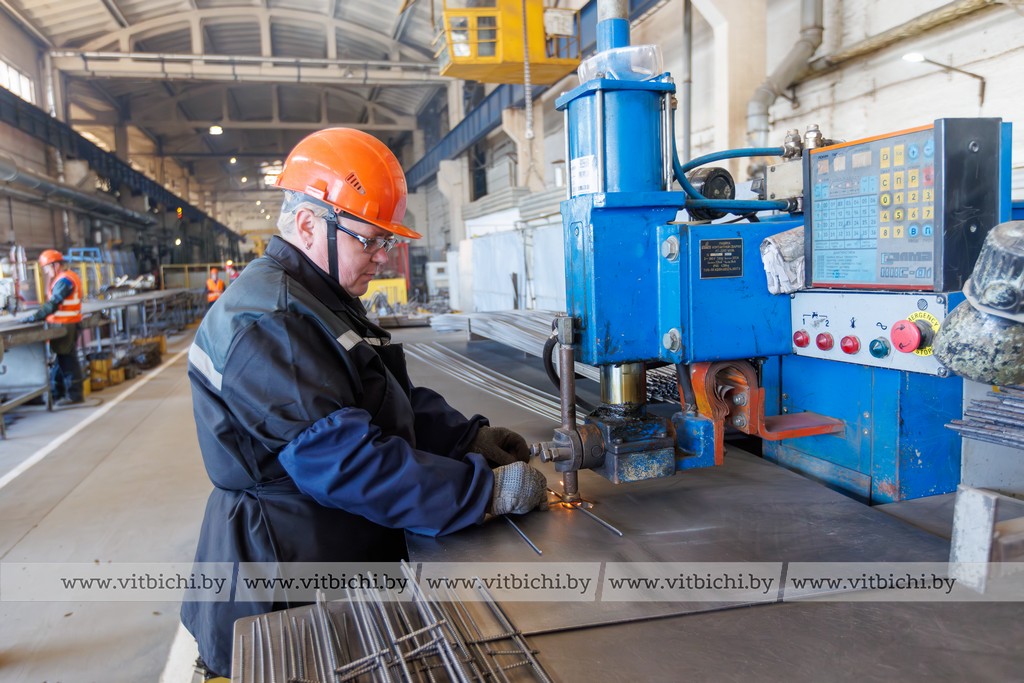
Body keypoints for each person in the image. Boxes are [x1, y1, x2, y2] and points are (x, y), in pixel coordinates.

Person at [183, 128, 548, 677]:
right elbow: (346, 463)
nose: (382, 257)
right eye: (370, 240)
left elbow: (381, 397)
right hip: (284, 582)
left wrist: (465, 438)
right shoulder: (272, 322)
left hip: (330, 556)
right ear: (308, 224)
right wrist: (482, 493)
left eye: (388, 242)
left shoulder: (321, 299)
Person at [23, 249, 85, 406]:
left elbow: (54, 303)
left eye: (47, 268)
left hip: (65, 325)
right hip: (65, 323)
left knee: (67, 361)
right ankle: (58, 393)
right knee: (62, 359)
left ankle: (75, 395)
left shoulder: (65, 280)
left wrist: (36, 316)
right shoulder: (64, 278)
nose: (46, 272)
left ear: (56, 265)